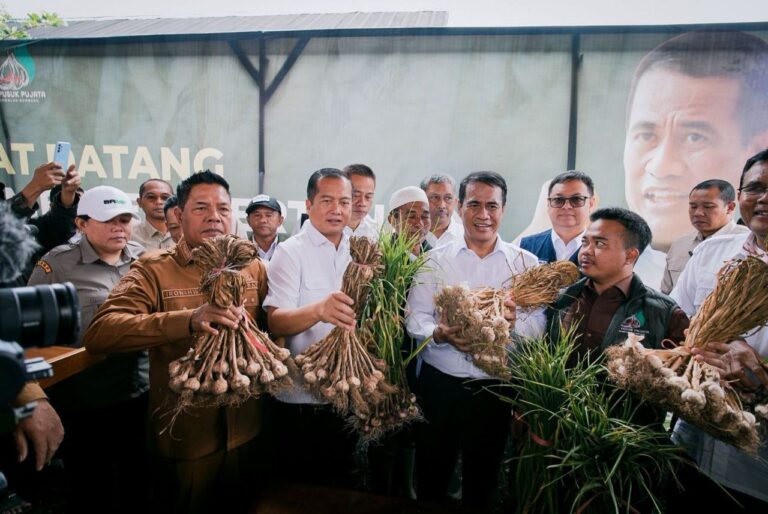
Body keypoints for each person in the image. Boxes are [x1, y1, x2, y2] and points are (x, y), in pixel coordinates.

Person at [83, 171, 267, 514]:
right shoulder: (153, 269)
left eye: (223, 208)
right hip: (185, 436)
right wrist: (187, 319)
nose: (215, 216)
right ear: (179, 216)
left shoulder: (251, 267)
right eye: (201, 207)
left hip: (246, 429)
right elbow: (101, 331)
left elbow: (271, 326)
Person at [405, 171, 542, 510]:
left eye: (492, 206)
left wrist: (513, 325)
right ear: (460, 208)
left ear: (504, 209)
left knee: (483, 481)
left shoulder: (525, 264)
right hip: (441, 386)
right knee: (432, 476)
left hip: (493, 390)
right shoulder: (434, 260)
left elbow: (539, 324)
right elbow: (415, 317)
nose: (483, 215)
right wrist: (437, 334)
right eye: (474, 205)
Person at [28, 185, 147, 514]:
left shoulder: (142, 260)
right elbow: (29, 336)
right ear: (81, 223)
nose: (119, 227)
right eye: (109, 220)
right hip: (87, 400)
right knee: (93, 490)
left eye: (125, 219)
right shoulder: (57, 266)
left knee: (138, 483)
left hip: (139, 392)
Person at [624, 31, 768, 287]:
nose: (661, 167)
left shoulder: (728, 251)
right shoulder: (605, 255)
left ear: (757, 149)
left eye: (694, 137)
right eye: (646, 135)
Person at [668, 149, 768, 510]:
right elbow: (676, 318)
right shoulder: (713, 253)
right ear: (740, 196)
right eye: (755, 187)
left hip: (757, 469)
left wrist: (762, 376)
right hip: (692, 445)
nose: (764, 198)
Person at [263, 168, 358, 487]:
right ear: (308, 204)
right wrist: (319, 310)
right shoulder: (291, 253)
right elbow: (276, 319)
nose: (337, 209)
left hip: (345, 393)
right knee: (299, 487)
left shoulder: (357, 250)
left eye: (344, 202)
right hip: (300, 397)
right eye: (327, 200)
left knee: (340, 484)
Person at [545, 207, 689, 359]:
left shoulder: (664, 313)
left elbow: (683, 370)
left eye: (599, 244)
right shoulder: (561, 299)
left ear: (630, 255)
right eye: (585, 242)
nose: (586, 251)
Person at [661, 179, 748, 294]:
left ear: (730, 207)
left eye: (708, 206)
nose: (698, 213)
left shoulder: (748, 242)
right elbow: (665, 295)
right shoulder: (680, 245)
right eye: (693, 206)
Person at [2, 161, 81, 286]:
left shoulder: (26, 229)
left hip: (28, 300)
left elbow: (54, 233)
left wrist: (67, 196)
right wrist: (34, 188)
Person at [520, 170, 596, 264]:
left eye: (576, 199)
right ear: (548, 204)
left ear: (591, 204)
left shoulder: (600, 251)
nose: (566, 206)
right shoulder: (526, 247)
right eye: (558, 200)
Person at [420, 173, 464, 249]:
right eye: (434, 198)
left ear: (456, 202)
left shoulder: (467, 238)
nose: (442, 206)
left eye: (448, 198)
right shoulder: (408, 237)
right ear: (421, 200)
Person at [387, 186, 432, 256]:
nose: (420, 224)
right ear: (392, 220)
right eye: (411, 217)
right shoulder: (379, 257)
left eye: (425, 217)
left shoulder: (437, 257)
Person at [132, 178, 175, 251]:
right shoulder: (129, 235)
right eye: (151, 197)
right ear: (139, 202)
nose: (159, 202)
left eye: (165, 197)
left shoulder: (186, 233)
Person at [245, 194, 286, 261]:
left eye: (268, 215)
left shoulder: (289, 248)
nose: (262, 220)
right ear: (248, 220)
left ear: (280, 220)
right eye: (257, 215)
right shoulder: (239, 250)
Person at [343, 163, 379, 239]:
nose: (362, 203)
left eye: (368, 197)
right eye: (355, 195)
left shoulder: (374, 229)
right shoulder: (324, 227)